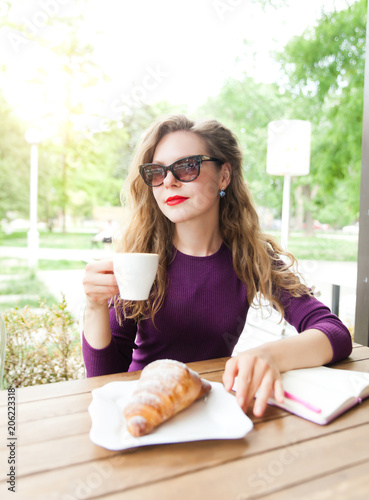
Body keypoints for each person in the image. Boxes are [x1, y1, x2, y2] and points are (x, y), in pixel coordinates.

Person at [82, 114, 352, 417]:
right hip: (141, 412)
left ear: (224, 176)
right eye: (157, 172)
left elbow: (334, 333)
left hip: (210, 411)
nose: (168, 181)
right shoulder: (141, 259)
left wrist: (269, 355)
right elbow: (105, 379)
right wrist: (94, 307)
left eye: (186, 167)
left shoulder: (252, 257)